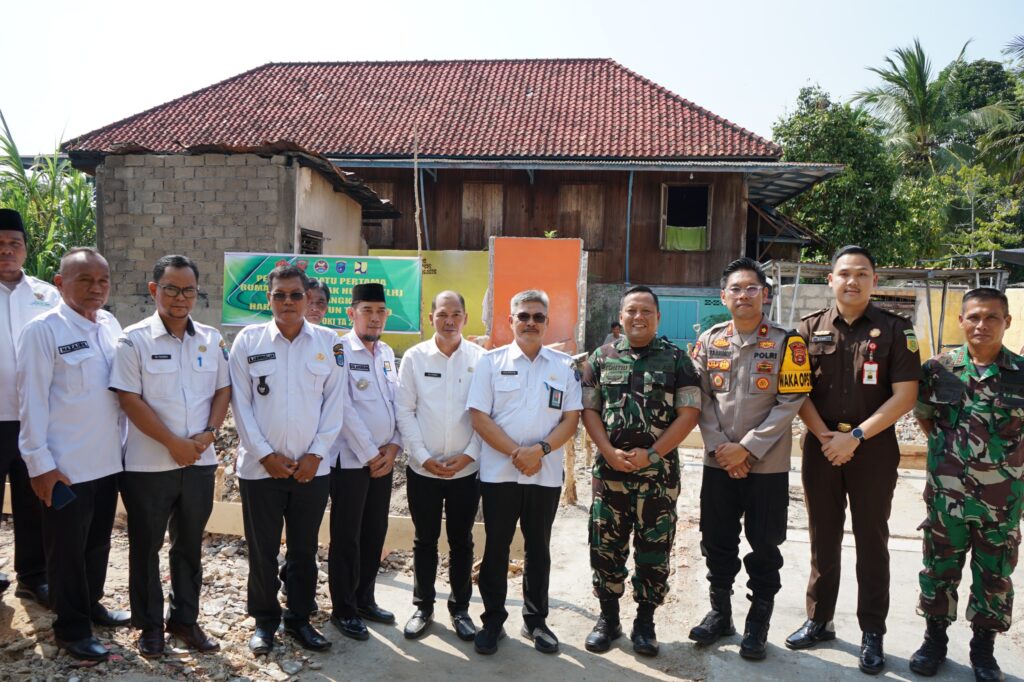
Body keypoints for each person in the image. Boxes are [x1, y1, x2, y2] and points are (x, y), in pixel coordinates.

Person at [785, 245, 920, 676]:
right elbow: (797, 389)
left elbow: (905, 396)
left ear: (874, 281)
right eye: (844, 273)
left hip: (874, 449)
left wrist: (856, 437)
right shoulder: (807, 329)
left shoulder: (896, 330)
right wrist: (825, 435)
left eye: (862, 273)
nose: (853, 281)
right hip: (822, 447)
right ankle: (819, 619)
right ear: (830, 280)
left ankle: (872, 631)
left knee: (871, 540)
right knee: (822, 536)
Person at [687, 259, 809, 660]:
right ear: (723, 297)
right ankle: (720, 614)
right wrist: (722, 447)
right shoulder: (709, 341)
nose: (743, 295)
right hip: (718, 462)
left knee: (765, 545)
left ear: (765, 294)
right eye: (735, 289)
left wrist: (748, 448)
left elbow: (791, 401)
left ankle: (758, 624)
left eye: (751, 288)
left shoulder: (788, 343)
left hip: (767, 466)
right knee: (717, 541)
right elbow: (700, 399)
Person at [110, 255, 231, 658]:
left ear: (197, 292)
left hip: (200, 463)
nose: (181, 298)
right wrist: (172, 443)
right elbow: (129, 398)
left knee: (190, 545)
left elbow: (222, 390)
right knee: (146, 547)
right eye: (171, 289)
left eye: (189, 290)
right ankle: (149, 626)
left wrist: (210, 432)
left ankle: (184, 619)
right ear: (153, 290)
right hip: (147, 465)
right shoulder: (133, 339)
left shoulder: (211, 339)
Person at [17, 247, 129, 661]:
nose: (95, 288)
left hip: (108, 461)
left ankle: (91, 605)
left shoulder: (110, 325)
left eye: (102, 280)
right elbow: (31, 402)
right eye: (85, 280)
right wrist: (40, 465)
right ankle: (71, 627)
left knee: (97, 544)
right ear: (61, 283)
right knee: (65, 552)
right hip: (65, 466)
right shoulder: (42, 331)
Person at [229, 264, 345, 655]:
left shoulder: (329, 342)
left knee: (303, 549)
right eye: (279, 295)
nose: (288, 302)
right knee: (262, 550)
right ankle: (264, 621)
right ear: (269, 298)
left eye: (296, 295)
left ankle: (298, 619)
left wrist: (316, 454)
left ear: (308, 298)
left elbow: (335, 403)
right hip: (261, 470)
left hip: (313, 471)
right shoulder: (248, 340)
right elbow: (240, 405)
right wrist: (265, 455)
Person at [580, 285, 700, 657]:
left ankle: (645, 623)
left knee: (654, 550)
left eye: (646, 311)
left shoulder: (679, 360)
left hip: (658, 477)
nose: (638, 317)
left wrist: (653, 453)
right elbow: (590, 410)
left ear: (658, 317)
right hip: (609, 473)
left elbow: (689, 414)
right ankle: (609, 618)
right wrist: (607, 451)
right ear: (620, 316)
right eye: (631, 310)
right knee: (605, 547)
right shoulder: (598, 359)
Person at [909, 288, 1022, 682]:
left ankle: (983, 651)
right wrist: (949, 456)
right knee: (938, 570)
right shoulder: (938, 368)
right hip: (946, 498)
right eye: (974, 316)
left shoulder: (1021, 373)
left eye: (992, 317)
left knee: (993, 577)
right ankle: (934, 642)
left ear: (1006, 322)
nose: (982, 324)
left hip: (1001, 502)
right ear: (961, 321)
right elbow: (925, 418)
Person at [466, 289, 582, 656]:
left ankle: (536, 621)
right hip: (500, 474)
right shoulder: (491, 362)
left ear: (547, 323)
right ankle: (493, 622)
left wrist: (541, 451)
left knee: (538, 549)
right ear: (510, 320)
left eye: (538, 317)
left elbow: (571, 419)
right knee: (497, 548)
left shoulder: (562, 367)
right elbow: (479, 416)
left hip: (544, 475)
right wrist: (517, 453)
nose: (530, 322)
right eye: (524, 316)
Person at [395, 290, 486, 641]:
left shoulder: (480, 359)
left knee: (462, 541)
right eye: (442, 314)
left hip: (466, 470)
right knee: (425, 540)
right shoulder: (415, 358)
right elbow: (405, 410)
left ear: (465, 318)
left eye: (456, 314)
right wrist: (422, 456)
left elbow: (485, 413)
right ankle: (423, 606)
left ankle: (461, 609)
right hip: (423, 471)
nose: (449, 321)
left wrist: (470, 455)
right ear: (430, 317)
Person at [329, 282, 402, 640]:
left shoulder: (387, 352)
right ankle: (343, 609)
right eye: (367, 311)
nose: (374, 318)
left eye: (380, 312)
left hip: (383, 461)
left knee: (374, 533)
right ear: (351, 313)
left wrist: (393, 448)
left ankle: (365, 598)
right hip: (350, 461)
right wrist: (371, 453)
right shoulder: (340, 350)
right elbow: (341, 408)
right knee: (347, 537)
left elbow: (396, 404)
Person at [0, 207, 58, 604]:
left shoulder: (46, 295)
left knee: (33, 497)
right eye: (0, 244)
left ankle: (34, 575)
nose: (7, 251)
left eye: (14, 244)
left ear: (26, 248)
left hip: (34, 419)